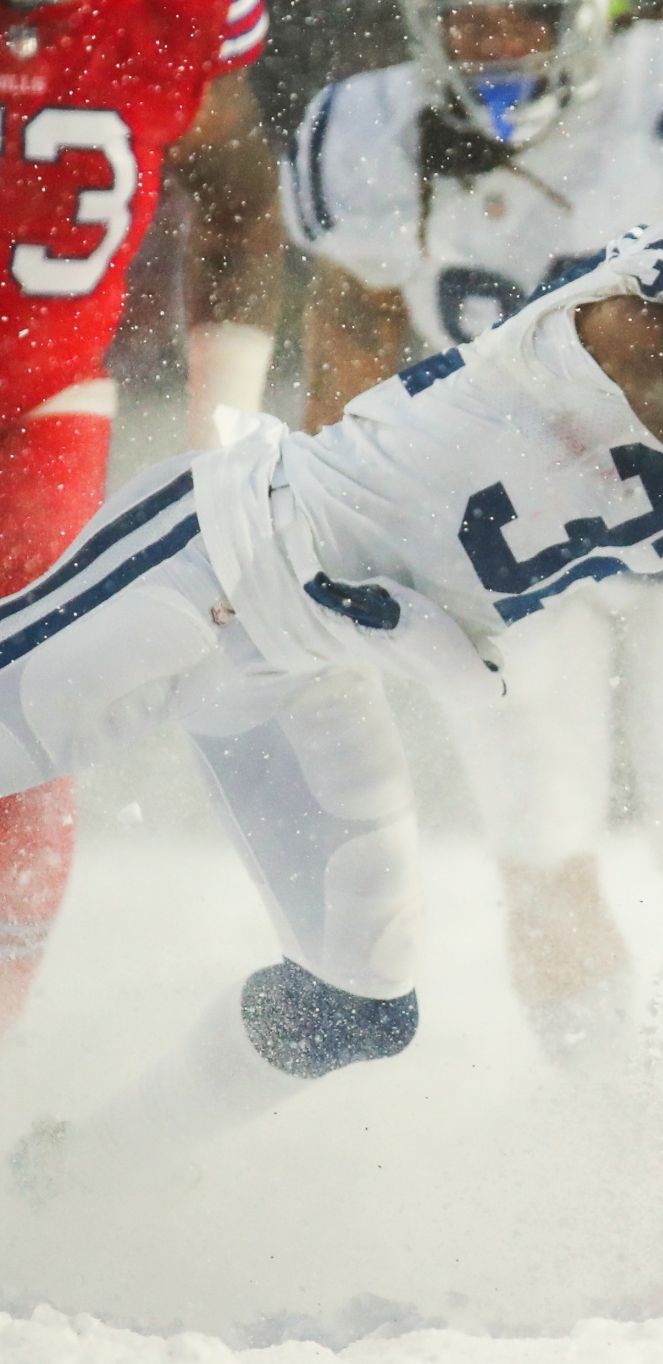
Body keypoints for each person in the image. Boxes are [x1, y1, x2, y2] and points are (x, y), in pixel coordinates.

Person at [3, 213, 663, 1189]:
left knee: (359, 992)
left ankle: (70, 1178)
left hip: (319, 654)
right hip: (233, 550)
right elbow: (656, 361)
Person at [281, 0, 663, 1059]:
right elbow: (349, 354)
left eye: (524, 15)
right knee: (540, 849)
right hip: (503, 545)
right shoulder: (371, 137)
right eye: (467, 19)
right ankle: (602, 1112)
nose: (498, 43)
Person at [0, 0, 282, 1037]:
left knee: (27, 723)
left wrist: (223, 438)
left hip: (42, 402)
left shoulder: (163, 24)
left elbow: (245, 201)